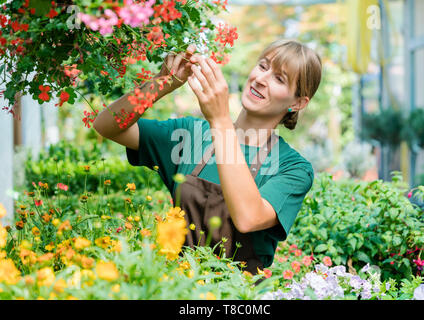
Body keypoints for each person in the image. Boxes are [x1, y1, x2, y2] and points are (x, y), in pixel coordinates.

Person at [93, 39, 322, 274]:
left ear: (298, 102)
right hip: (176, 287)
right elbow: (107, 126)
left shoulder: (293, 168)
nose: (261, 80)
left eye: (279, 78)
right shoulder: (191, 134)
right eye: (263, 66)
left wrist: (220, 120)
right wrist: (161, 83)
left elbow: (247, 217)